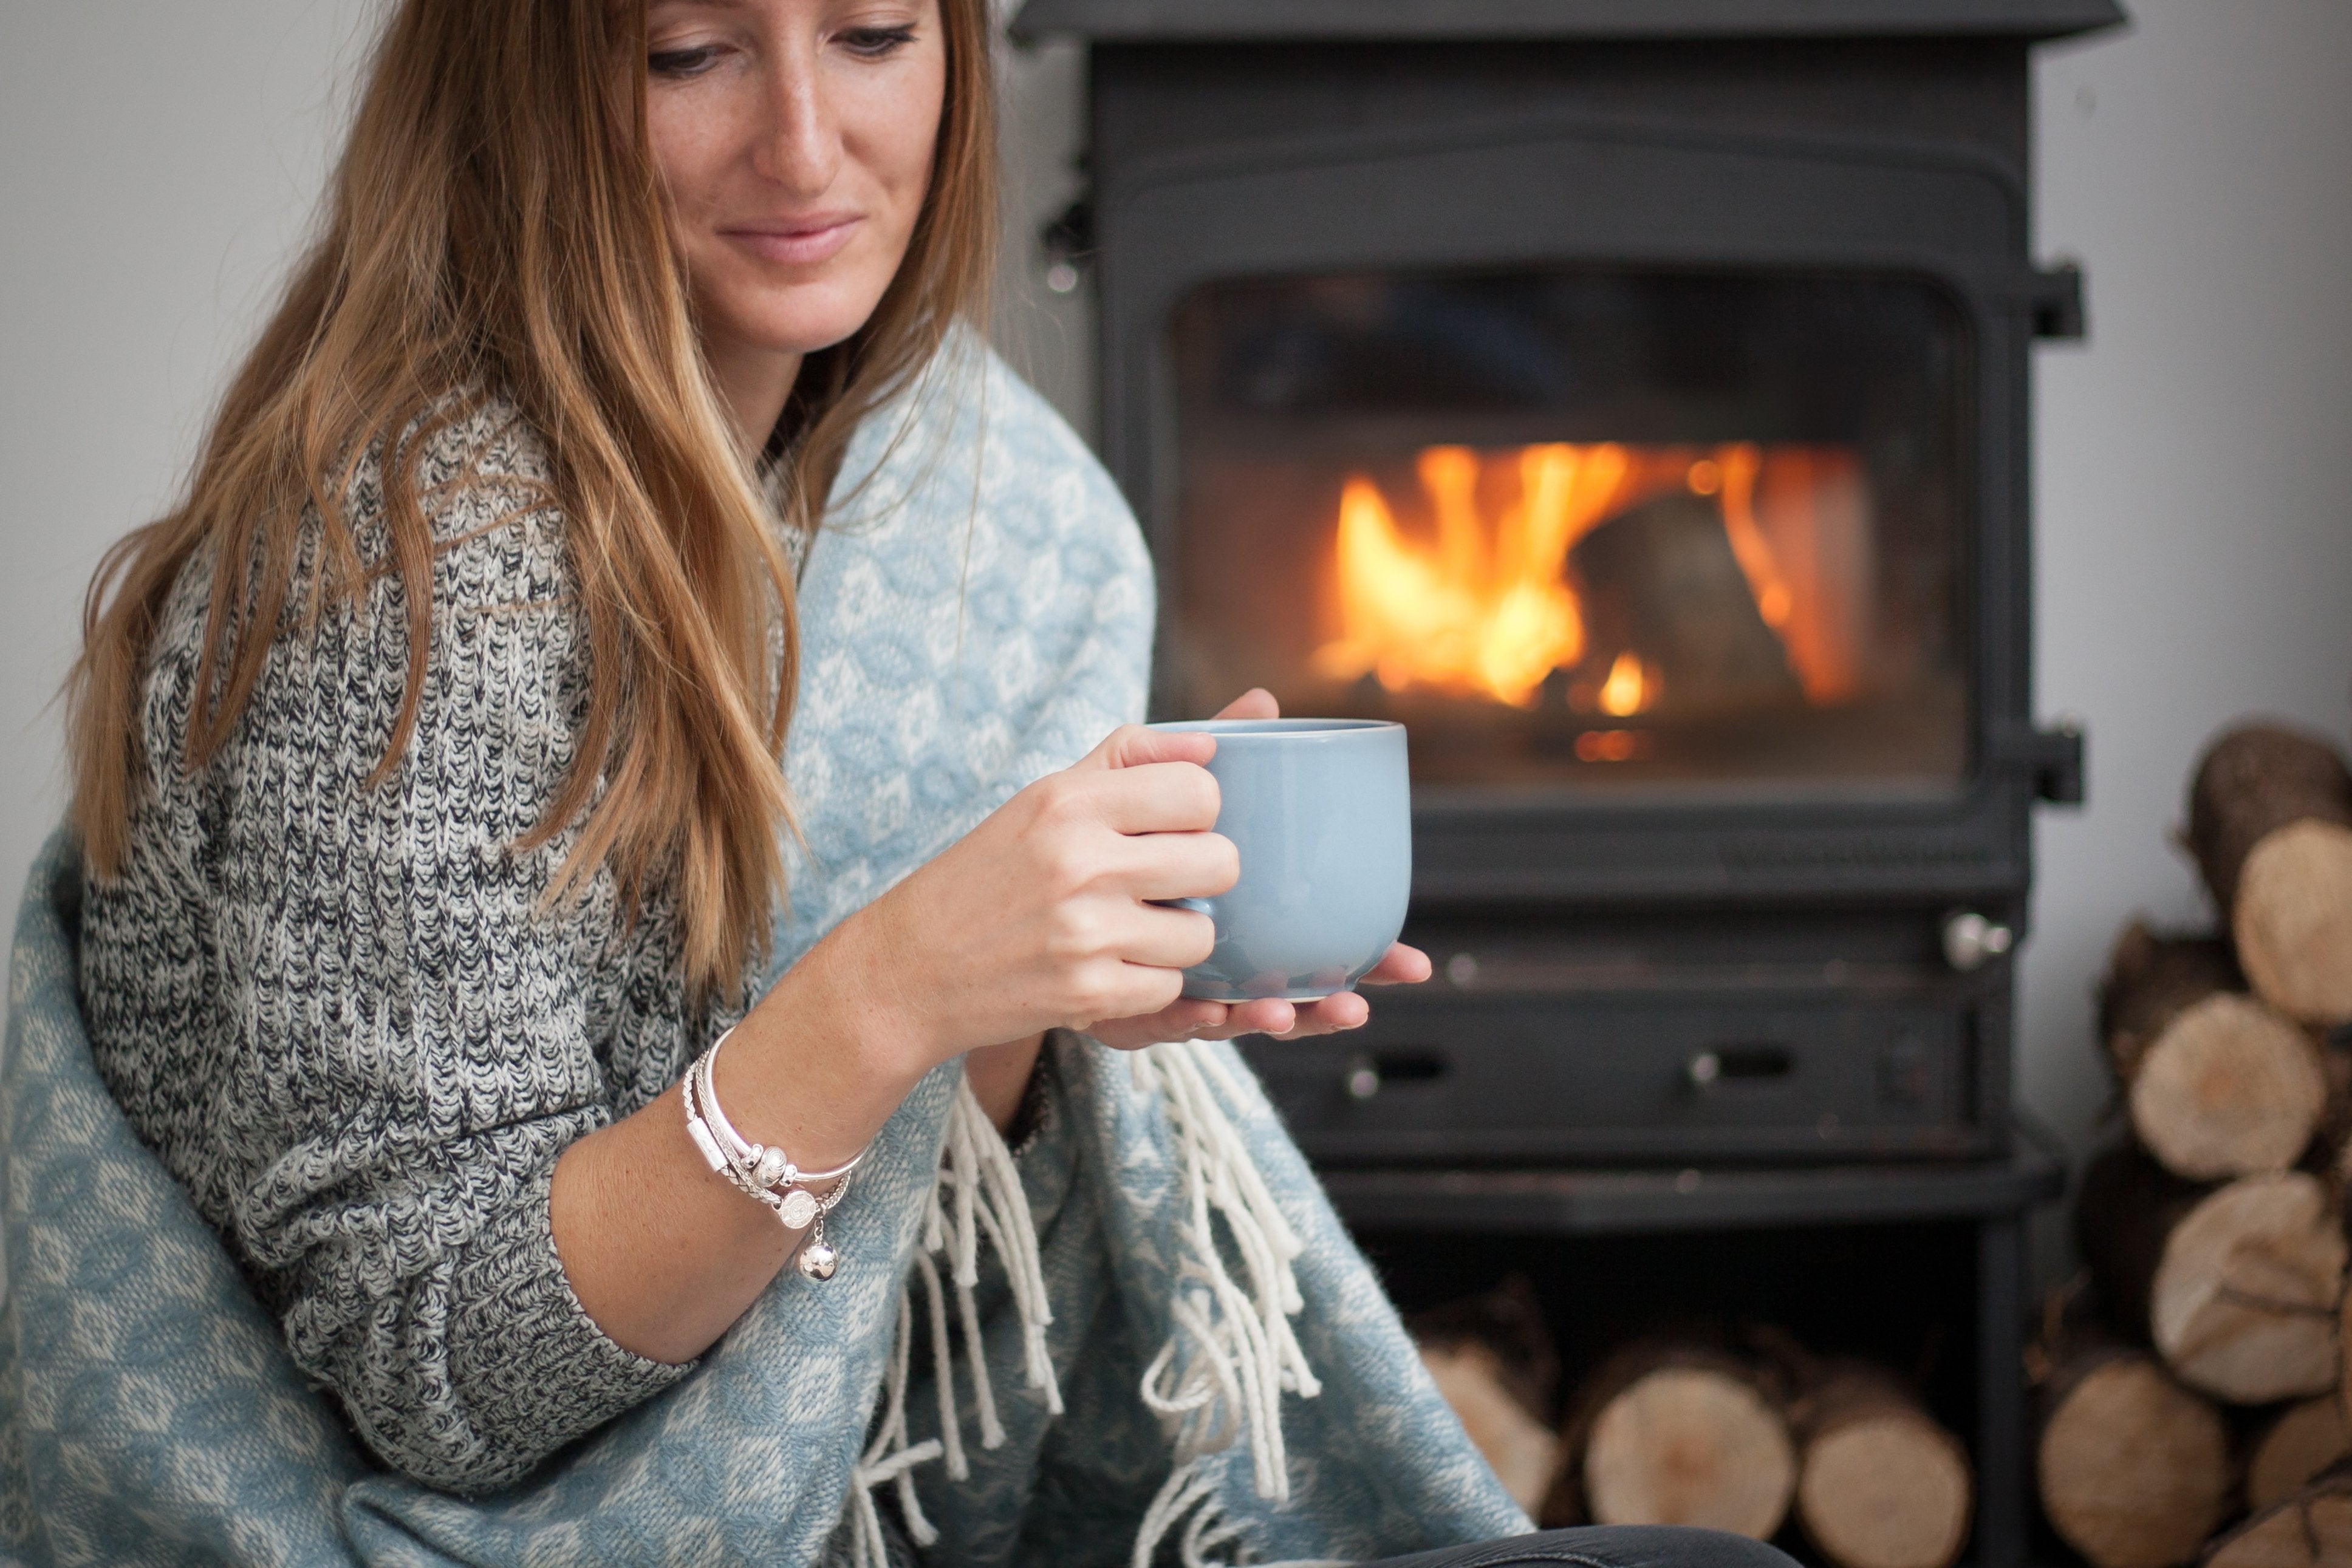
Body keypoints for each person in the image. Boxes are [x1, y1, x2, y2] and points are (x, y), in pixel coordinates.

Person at [1, 2, 1799, 1566]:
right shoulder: (411, 564)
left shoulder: (952, 491)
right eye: (686, 53)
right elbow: (442, 1376)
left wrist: (1037, 1010)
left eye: (874, 35)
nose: (808, 139)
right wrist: (899, 980)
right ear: (528, 87)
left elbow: (897, 1171)